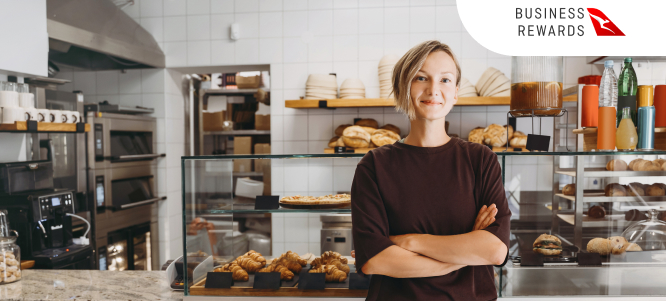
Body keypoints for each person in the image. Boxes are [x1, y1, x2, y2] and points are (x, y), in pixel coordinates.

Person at [351, 40, 511, 301]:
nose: (433, 89)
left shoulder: (481, 160)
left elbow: (494, 251)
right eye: (421, 77)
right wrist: (466, 252)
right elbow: (375, 260)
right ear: (403, 87)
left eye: (445, 80)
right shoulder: (374, 166)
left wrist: (409, 242)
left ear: (456, 92)